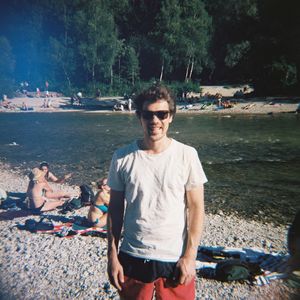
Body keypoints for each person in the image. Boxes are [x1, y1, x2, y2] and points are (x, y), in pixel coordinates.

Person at [107, 84, 207, 299]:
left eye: (161, 114)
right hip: (133, 254)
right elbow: (115, 209)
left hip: (174, 257)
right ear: (139, 117)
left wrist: (190, 256)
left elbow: (197, 208)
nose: (155, 121)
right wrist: (112, 256)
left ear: (171, 116)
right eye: (148, 114)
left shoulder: (187, 155)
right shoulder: (122, 157)